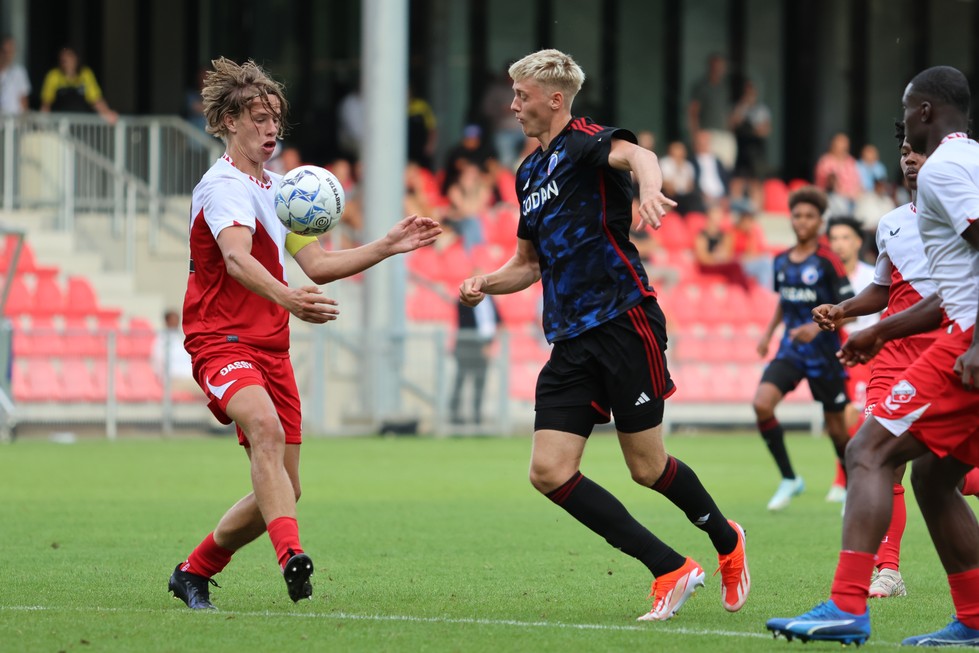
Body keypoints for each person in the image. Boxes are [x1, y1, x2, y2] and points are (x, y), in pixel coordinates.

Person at [459, 48, 749, 622]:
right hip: (569, 337)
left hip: (622, 319)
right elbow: (528, 263)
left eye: (521, 95)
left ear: (555, 99)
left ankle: (726, 539)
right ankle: (669, 567)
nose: (513, 105)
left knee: (646, 467)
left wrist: (647, 189)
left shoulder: (586, 141)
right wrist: (484, 282)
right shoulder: (527, 172)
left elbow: (639, 154)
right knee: (548, 471)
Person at [167, 57, 441, 611]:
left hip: (271, 347)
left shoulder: (281, 189)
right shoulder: (222, 188)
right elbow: (238, 260)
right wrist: (288, 298)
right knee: (263, 429)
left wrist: (386, 246)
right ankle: (291, 556)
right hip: (220, 340)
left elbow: (316, 264)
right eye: (258, 117)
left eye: (275, 119)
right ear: (226, 120)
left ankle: (193, 572)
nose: (270, 129)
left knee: (285, 491)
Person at [767, 65, 979, 646]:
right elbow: (957, 287)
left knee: (867, 451)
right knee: (936, 479)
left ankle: (845, 604)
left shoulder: (945, 169)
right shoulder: (968, 163)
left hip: (967, 342)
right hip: (956, 329)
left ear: (927, 111)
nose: (904, 124)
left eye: (909, 110)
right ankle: (975, 617)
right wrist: (878, 331)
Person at [753, 186, 854, 512]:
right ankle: (789, 478)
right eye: (797, 215)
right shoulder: (781, 260)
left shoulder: (828, 261)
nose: (802, 221)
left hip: (825, 354)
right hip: (791, 351)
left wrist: (817, 326)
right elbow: (785, 300)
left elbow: (849, 306)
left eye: (809, 216)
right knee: (762, 405)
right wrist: (768, 334)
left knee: (838, 431)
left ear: (819, 221)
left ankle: (852, 484)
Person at [823, 215, 880, 503]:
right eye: (834, 239)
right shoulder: (825, 275)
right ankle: (845, 476)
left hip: (864, 351)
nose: (839, 244)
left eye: (845, 238)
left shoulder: (872, 276)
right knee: (835, 417)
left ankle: (844, 479)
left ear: (858, 242)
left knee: (852, 414)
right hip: (832, 351)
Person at [449, 292, 498, 425]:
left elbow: (498, 319)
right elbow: (465, 322)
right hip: (467, 345)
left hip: (484, 345)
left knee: (479, 382)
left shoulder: (490, 299)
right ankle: (454, 415)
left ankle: (477, 416)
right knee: (461, 379)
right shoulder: (463, 300)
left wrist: (490, 343)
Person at [39, 47, 117, 124]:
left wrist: (107, 113)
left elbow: (96, 99)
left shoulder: (85, 74)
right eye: (63, 58)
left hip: (81, 123)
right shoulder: (53, 75)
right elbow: (46, 103)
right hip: (59, 123)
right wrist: (43, 123)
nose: (66, 60)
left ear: (76, 58)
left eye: (69, 56)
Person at [687, 53, 736, 170]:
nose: (718, 70)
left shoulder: (724, 88)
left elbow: (727, 113)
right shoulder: (702, 86)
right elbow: (693, 112)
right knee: (709, 169)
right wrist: (695, 134)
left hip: (724, 134)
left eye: (721, 67)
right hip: (708, 133)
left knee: (726, 169)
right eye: (716, 66)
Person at [729, 79, 771, 211]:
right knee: (738, 180)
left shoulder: (762, 110)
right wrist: (743, 107)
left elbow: (765, 130)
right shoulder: (739, 107)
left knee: (755, 182)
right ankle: (736, 208)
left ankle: (757, 210)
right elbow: (733, 124)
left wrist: (753, 129)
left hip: (756, 150)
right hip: (742, 148)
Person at [692, 206, 752, 292]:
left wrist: (721, 256)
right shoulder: (701, 236)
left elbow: (728, 254)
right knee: (735, 267)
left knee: (736, 267)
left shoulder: (724, 235)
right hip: (708, 266)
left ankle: (739, 293)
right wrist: (715, 258)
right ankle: (742, 292)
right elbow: (702, 258)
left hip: (720, 264)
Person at [152, 308, 198, 395]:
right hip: (174, 380)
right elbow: (158, 362)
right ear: (167, 321)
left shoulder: (181, 338)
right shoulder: (161, 339)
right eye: (172, 320)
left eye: (177, 319)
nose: (175, 322)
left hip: (189, 377)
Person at [814, 133, 861, 210]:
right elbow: (829, 186)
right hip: (832, 199)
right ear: (833, 145)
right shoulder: (825, 161)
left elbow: (858, 183)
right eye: (840, 144)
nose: (843, 147)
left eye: (845, 144)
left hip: (853, 200)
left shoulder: (851, 161)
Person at [0, 36, 30, 116]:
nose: (7, 55)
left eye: (11, 51)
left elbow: (23, 99)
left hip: (14, 119)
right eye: (5, 52)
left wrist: (24, 117)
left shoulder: (19, 72)